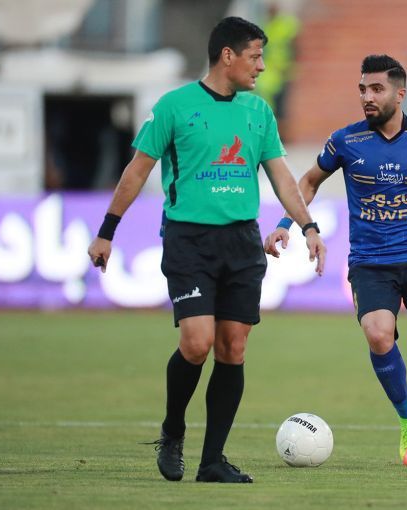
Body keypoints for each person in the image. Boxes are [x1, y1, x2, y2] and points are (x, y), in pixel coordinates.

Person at [87, 16, 326, 484]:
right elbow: (137, 171)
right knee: (197, 343)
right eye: (255, 56)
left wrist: (309, 226)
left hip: (242, 242)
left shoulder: (258, 112)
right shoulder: (174, 107)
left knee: (233, 348)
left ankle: (212, 461)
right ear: (227, 55)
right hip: (189, 240)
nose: (261, 66)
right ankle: (173, 430)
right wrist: (106, 231)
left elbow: (281, 176)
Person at [264, 54, 407, 467]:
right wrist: (287, 222)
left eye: (376, 89)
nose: (367, 97)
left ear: (399, 93)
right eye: (362, 89)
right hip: (370, 262)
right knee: (378, 335)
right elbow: (309, 182)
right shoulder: (346, 141)